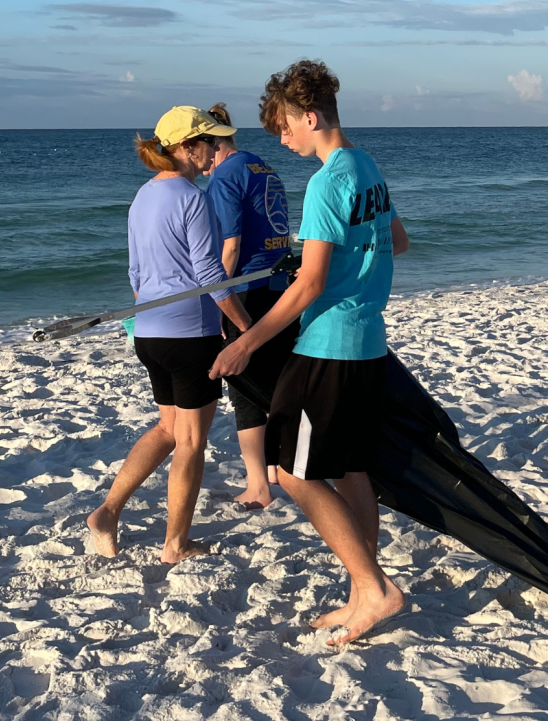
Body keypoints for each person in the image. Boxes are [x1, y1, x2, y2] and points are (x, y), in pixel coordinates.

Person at [210, 59, 410, 644]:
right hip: (368, 340)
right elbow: (396, 240)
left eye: (283, 126)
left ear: (310, 116)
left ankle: (373, 589)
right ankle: (361, 593)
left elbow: (312, 285)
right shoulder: (367, 167)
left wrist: (247, 340)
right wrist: (340, 258)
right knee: (349, 470)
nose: (281, 138)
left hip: (328, 345)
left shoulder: (327, 181)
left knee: (289, 472)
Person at [87, 106, 253, 564]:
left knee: (167, 428)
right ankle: (176, 544)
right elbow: (209, 274)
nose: (215, 150)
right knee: (191, 442)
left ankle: (107, 512)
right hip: (190, 335)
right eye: (209, 142)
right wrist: (245, 329)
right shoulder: (190, 198)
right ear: (186, 148)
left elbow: (136, 273)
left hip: (150, 333)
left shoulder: (142, 196)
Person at [203, 102, 299, 510]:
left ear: (211, 142)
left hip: (249, 288)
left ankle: (258, 485)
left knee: (244, 387)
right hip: (281, 285)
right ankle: (278, 470)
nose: (202, 164)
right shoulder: (262, 166)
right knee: (275, 380)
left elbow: (230, 247)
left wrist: (216, 298)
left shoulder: (224, 176)